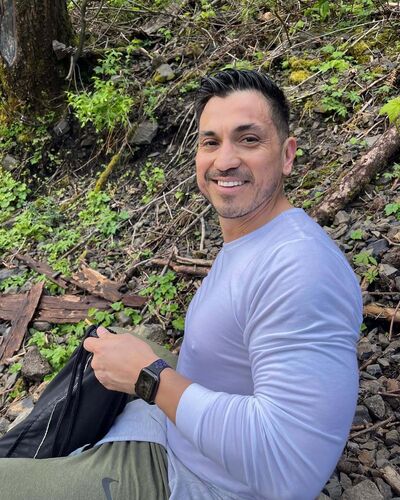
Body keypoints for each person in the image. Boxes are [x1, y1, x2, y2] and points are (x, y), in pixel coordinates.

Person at [0, 69, 362, 500]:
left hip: (198, 481)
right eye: (211, 142)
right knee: (118, 346)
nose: (224, 160)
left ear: (287, 155)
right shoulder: (258, 239)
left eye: (248, 140)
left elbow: (288, 467)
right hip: (184, 439)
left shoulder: (301, 271)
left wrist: (151, 379)